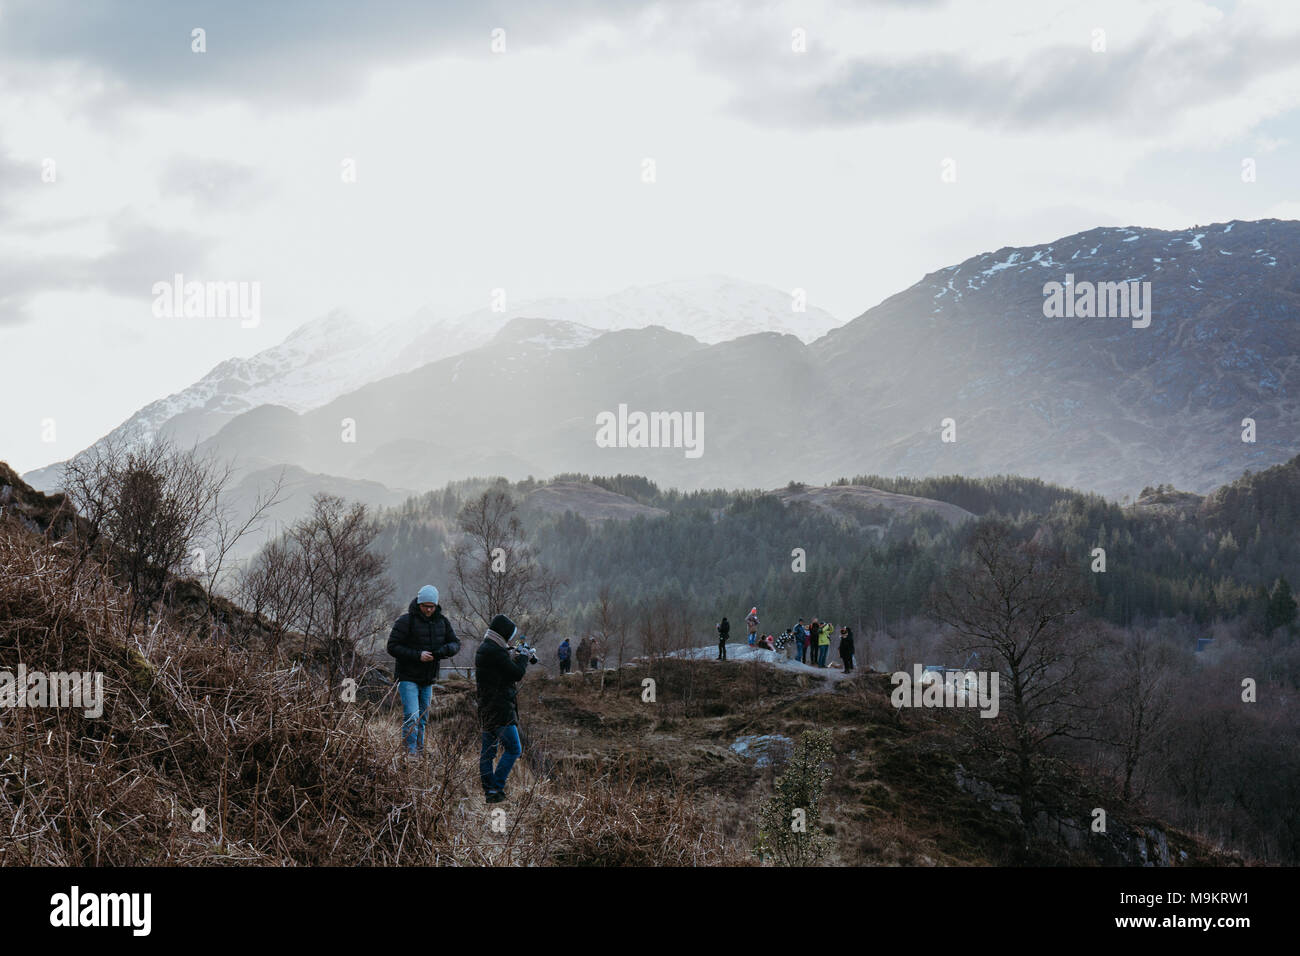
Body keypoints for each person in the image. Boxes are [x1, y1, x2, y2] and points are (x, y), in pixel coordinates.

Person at [387, 585, 460, 756]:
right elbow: (392, 647)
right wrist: (417, 655)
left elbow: (455, 644)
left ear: (436, 605)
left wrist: (443, 652)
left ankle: (419, 753)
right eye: (425, 606)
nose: (428, 610)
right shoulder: (405, 621)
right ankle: (409, 754)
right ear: (419, 603)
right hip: (408, 677)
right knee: (412, 716)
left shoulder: (443, 622)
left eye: (431, 606)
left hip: (428, 679)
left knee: (423, 719)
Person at [475, 614, 532, 803]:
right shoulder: (496, 652)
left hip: (486, 708)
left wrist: (511, 654)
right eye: (510, 636)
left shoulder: (486, 648)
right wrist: (523, 657)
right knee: (514, 748)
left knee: (488, 753)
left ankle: (489, 792)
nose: (510, 640)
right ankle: (496, 787)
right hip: (500, 710)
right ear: (503, 633)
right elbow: (516, 674)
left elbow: (501, 671)